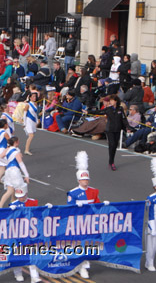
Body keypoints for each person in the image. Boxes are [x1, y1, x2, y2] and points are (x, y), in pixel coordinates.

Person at [67, 151, 102, 279]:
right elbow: (69, 209)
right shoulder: (73, 193)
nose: (85, 181)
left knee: (88, 244)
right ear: (78, 180)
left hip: (90, 222)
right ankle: (81, 266)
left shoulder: (93, 191)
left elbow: (98, 206)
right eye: (83, 179)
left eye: (87, 179)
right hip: (78, 223)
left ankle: (84, 266)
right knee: (79, 244)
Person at [85, 95, 128, 170]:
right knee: (112, 144)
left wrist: (128, 127)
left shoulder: (120, 109)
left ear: (116, 101)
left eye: (112, 100)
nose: (110, 102)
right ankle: (111, 162)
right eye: (110, 100)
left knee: (114, 146)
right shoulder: (108, 109)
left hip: (117, 129)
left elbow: (124, 119)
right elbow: (99, 112)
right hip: (110, 129)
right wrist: (89, 112)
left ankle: (111, 160)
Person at [10, 184, 42, 283]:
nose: (20, 198)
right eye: (18, 196)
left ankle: (34, 276)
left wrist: (47, 208)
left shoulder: (33, 202)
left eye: (22, 196)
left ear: (26, 194)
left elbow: (38, 215)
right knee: (18, 253)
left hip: (31, 233)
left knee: (32, 254)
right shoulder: (13, 204)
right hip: (18, 234)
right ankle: (17, 272)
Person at [0, 137, 30, 208]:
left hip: (8, 171)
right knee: (20, 189)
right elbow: (21, 164)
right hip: (15, 171)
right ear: (16, 142)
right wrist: (26, 175)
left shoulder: (7, 149)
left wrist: (7, 163)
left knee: (10, 190)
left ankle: (0, 206)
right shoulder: (16, 152)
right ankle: (21, 205)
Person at [146, 158, 156, 272]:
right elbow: (150, 213)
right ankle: (149, 262)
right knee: (151, 245)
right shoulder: (151, 198)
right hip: (153, 222)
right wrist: (151, 225)